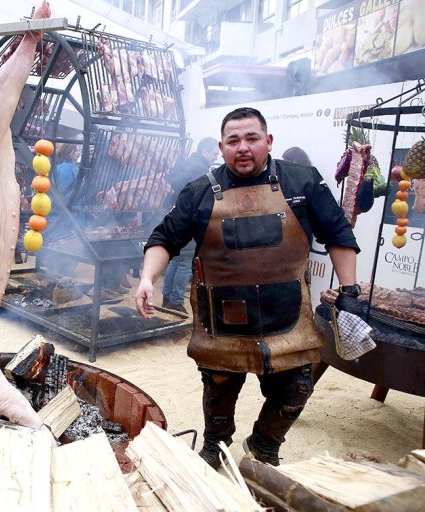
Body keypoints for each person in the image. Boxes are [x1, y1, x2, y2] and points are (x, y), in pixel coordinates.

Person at [135, 107, 360, 468]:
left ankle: (265, 445)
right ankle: (215, 446)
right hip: (222, 322)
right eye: (233, 140)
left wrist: (349, 290)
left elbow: (337, 234)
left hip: (287, 314)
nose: (243, 147)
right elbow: (164, 238)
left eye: (252, 138)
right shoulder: (198, 192)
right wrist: (148, 278)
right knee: (219, 389)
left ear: (268, 142)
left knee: (297, 387)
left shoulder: (302, 182)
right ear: (222, 148)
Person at [161, 137, 218, 313]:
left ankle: (167, 298)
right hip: (189, 220)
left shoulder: (186, 164)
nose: (216, 157)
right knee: (186, 261)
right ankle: (176, 301)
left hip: (175, 217)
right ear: (205, 151)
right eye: (214, 153)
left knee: (175, 259)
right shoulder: (200, 170)